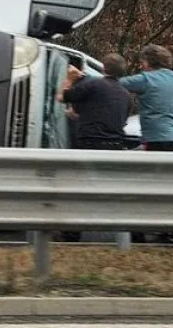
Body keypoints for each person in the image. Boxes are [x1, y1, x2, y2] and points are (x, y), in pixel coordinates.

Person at [119, 44, 173, 245]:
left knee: (149, 188)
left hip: (156, 140)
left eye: (142, 62)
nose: (141, 66)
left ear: (148, 63)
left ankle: (140, 233)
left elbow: (116, 83)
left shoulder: (146, 79)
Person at [55, 52, 132, 242]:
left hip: (90, 143)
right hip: (115, 146)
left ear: (104, 68)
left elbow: (62, 97)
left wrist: (70, 79)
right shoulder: (126, 95)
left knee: (78, 187)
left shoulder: (93, 84)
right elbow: (104, 115)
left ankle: (72, 232)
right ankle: (129, 233)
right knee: (112, 190)